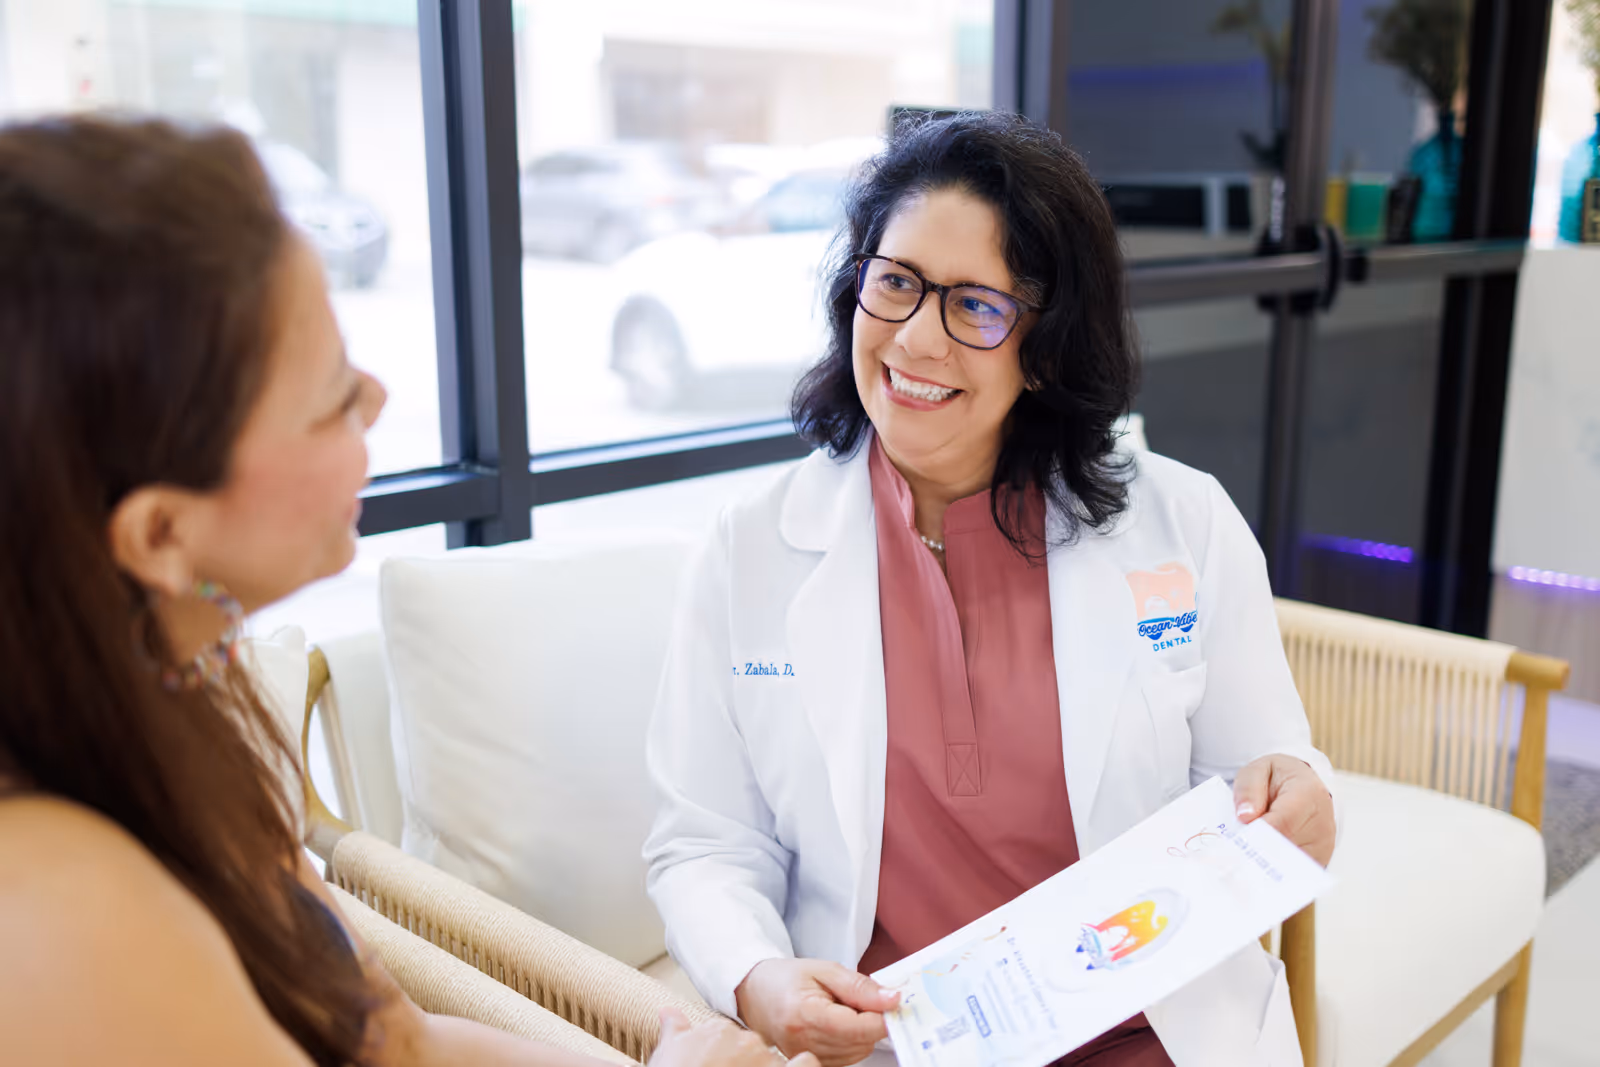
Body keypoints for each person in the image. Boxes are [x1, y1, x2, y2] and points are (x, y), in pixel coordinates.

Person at [0, 115, 813, 1067]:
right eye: (333, 394)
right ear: (161, 533)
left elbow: (398, 1039)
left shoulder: (175, 693)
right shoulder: (58, 917)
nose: (379, 400)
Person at [644, 111, 1337, 1067]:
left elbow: (1257, 776)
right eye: (894, 284)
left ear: (1046, 346)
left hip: (1148, 1036)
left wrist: (1297, 797)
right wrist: (759, 978)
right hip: (891, 1045)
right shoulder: (750, 550)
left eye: (975, 305)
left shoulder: (1186, 523)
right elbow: (705, 843)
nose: (917, 340)